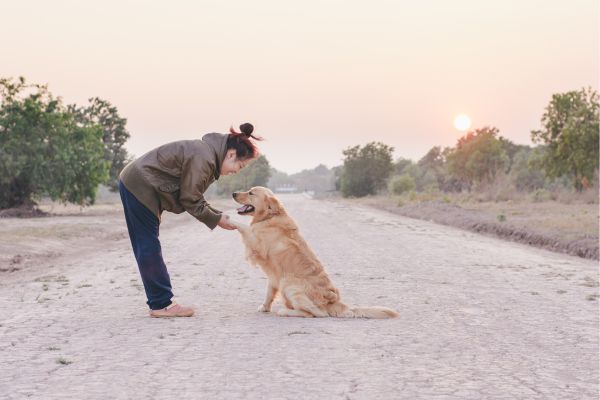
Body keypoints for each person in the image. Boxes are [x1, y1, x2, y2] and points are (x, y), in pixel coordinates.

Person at [118, 123, 262, 317]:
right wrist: (217, 219)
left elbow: (192, 195)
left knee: (146, 243)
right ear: (230, 154)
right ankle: (162, 304)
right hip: (141, 184)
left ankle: (160, 302)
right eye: (240, 165)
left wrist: (217, 214)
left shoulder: (207, 155)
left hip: (138, 181)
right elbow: (190, 199)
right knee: (148, 244)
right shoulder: (204, 158)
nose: (237, 170)